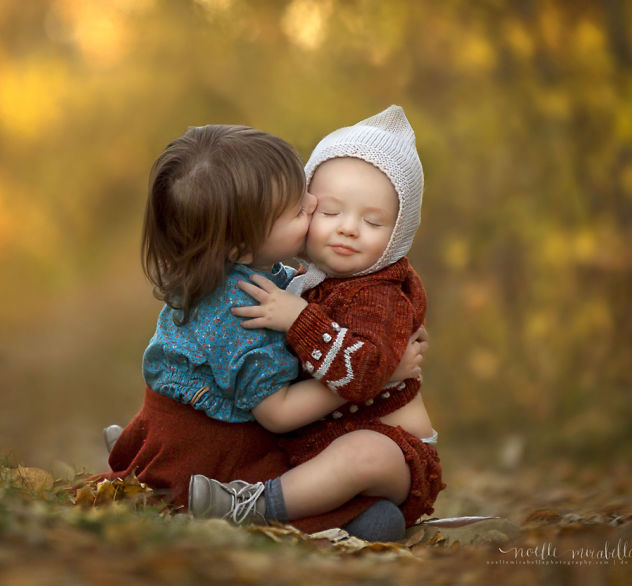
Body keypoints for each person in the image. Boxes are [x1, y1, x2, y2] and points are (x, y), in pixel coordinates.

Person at [79, 123, 426, 540]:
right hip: (220, 450)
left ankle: (145, 454)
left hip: (212, 433)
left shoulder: (249, 272)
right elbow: (278, 414)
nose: (314, 203)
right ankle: (175, 478)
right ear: (241, 246)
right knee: (374, 511)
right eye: (300, 210)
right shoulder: (242, 307)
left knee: (373, 505)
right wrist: (378, 376)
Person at [189, 105, 445, 532]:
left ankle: (253, 506)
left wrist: (299, 319)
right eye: (330, 213)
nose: (347, 229)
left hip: (396, 457)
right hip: (311, 449)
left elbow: (363, 372)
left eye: (372, 221)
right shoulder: (309, 281)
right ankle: (163, 445)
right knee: (249, 390)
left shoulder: (381, 297)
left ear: (399, 234)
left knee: (364, 453)